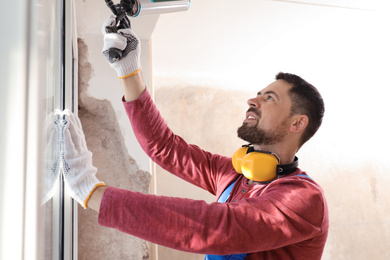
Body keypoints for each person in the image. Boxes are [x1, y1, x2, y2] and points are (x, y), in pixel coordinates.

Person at [60, 16, 328, 259]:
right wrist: (128, 70)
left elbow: (219, 228)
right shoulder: (236, 175)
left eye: (269, 98)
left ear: (298, 123)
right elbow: (164, 148)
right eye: (258, 93)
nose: (252, 100)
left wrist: (91, 192)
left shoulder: (304, 198)